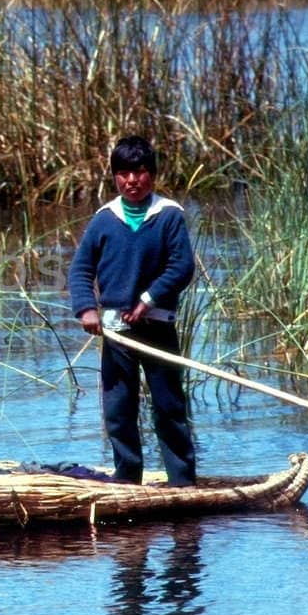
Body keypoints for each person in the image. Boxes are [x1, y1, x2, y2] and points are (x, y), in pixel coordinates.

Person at [68, 135, 199, 487]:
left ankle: (182, 482)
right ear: (115, 177)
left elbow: (181, 266)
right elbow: (80, 270)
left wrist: (147, 300)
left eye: (140, 173)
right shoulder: (103, 220)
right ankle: (127, 479)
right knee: (119, 409)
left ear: (151, 175)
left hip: (157, 328)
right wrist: (86, 310)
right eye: (124, 173)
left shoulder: (168, 215)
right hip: (115, 333)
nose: (132, 181)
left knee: (169, 407)